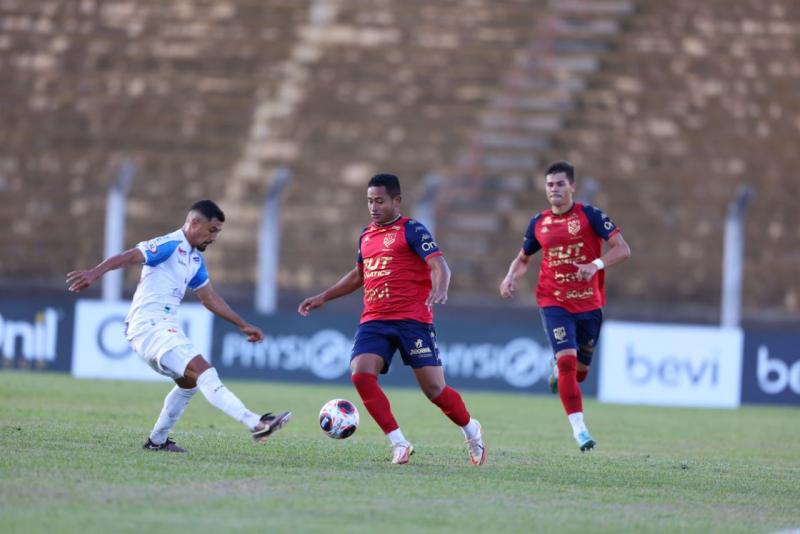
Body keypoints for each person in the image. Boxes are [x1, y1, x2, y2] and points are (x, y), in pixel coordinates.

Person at [66, 200, 291, 452]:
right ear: (194, 223)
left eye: (218, 232)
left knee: (189, 383)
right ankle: (256, 422)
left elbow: (209, 298)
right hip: (149, 326)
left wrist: (242, 324)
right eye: (212, 230)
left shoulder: (194, 259)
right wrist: (93, 274)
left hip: (161, 327)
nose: (215, 237)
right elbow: (128, 256)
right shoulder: (169, 245)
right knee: (204, 371)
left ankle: (157, 441)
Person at [298, 174, 486, 465]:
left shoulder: (411, 230)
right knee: (360, 373)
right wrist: (324, 296)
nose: (373, 207)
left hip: (413, 321)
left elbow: (439, 265)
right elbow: (359, 276)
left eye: (380, 201)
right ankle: (398, 442)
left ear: (396, 201)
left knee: (435, 390)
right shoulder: (366, 235)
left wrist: (441, 288)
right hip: (374, 320)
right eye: (370, 201)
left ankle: (471, 429)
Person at [500, 161, 630, 452]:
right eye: (550, 185)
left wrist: (595, 265)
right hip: (553, 300)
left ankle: (558, 371)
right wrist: (510, 277)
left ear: (572, 186)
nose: (554, 189)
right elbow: (523, 259)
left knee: (580, 372)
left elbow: (623, 249)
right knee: (568, 361)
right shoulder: (539, 222)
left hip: (589, 304)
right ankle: (580, 430)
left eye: (560, 184)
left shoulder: (590, 215)